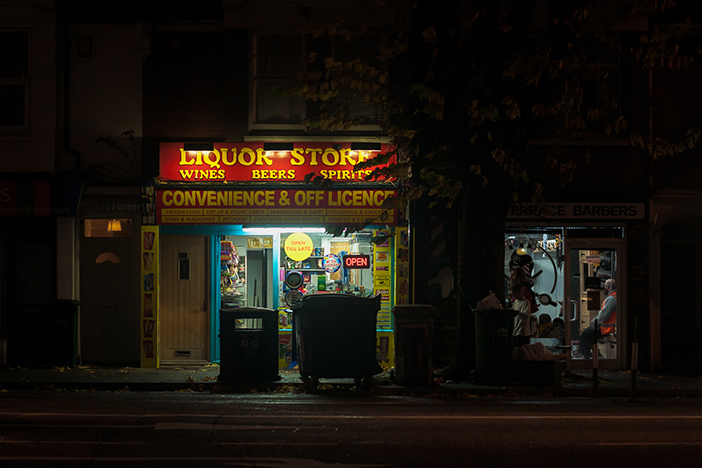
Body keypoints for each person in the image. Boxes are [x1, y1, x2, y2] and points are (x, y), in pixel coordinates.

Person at [579, 278, 617, 359]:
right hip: (609, 326)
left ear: (609, 287)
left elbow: (604, 315)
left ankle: (587, 357)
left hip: (609, 328)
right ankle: (597, 355)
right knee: (591, 334)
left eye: (605, 285)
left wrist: (595, 320)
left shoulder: (611, 299)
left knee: (585, 334)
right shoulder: (615, 296)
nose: (604, 287)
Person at [511, 282, 532, 348]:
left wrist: (517, 312)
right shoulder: (516, 302)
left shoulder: (526, 302)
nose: (514, 296)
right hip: (516, 329)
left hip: (523, 332)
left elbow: (527, 314)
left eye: (514, 294)